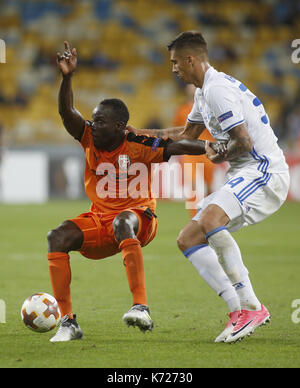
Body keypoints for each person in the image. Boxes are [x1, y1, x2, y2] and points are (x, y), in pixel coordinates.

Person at [48, 41, 225, 342]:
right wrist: (67, 78)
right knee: (58, 236)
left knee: (122, 222)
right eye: (93, 120)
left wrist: (209, 148)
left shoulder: (137, 143)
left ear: (120, 126)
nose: (93, 126)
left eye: (100, 122)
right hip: (99, 219)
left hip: (140, 219)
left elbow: (177, 145)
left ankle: (140, 307)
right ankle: (67, 322)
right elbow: (67, 113)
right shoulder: (89, 137)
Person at [133, 31, 290, 343]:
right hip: (245, 172)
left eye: (176, 62)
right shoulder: (204, 92)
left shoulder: (217, 90)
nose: (173, 69)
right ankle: (239, 310)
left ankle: (250, 307)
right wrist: (136, 134)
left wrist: (222, 154)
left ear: (191, 59)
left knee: (208, 221)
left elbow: (243, 142)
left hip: (263, 171)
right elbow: (185, 133)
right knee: (188, 237)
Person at [173, 84, 216, 217]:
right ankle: (194, 217)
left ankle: (210, 213)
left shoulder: (209, 109)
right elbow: (178, 130)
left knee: (209, 185)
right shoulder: (182, 110)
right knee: (192, 183)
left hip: (207, 150)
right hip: (189, 151)